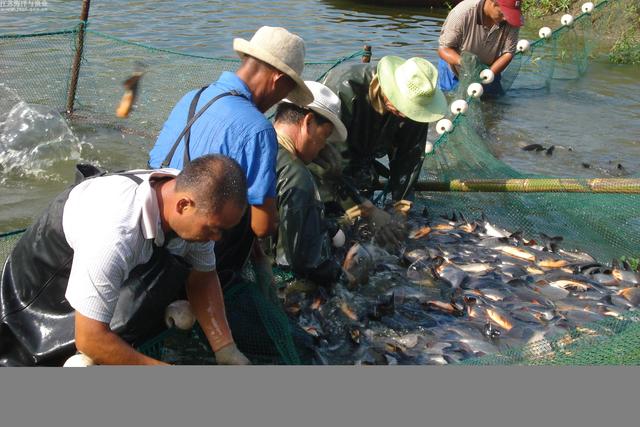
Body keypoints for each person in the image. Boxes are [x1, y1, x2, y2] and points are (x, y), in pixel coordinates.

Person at [0, 155, 251, 366]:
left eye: (222, 230)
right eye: (213, 229)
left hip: (104, 257)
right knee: (68, 357)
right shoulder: (115, 233)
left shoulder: (190, 196)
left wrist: (226, 349)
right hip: (41, 288)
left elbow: (203, 277)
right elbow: (90, 338)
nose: (216, 239)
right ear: (184, 205)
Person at [148, 26, 313, 283]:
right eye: (287, 92)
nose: (282, 100)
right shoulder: (258, 129)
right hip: (194, 251)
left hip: (154, 231)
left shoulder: (194, 96)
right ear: (278, 80)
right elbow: (262, 226)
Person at [319, 56, 446, 246]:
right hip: (325, 161)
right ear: (389, 87)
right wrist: (365, 209)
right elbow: (324, 161)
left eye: (411, 110)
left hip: (365, 159)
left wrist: (400, 209)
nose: (405, 114)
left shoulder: (416, 105)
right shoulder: (343, 90)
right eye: (403, 106)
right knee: (332, 223)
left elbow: (409, 159)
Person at [270, 81, 348, 285]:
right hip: (279, 283)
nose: (323, 147)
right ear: (308, 121)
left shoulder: (255, 141)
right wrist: (344, 274)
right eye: (325, 136)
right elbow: (301, 261)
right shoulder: (296, 175)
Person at [437, 0, 523, 94]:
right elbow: (443, 49)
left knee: (493, 104)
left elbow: (508, 53)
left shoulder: (512, 19)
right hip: (455, 70)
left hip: (490, 69)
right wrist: (464, 62)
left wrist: (488, 74)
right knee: (450, 100)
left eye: (512, 14)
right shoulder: (462, 13)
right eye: (503, 13)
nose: (507, 18)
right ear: (492, 2)